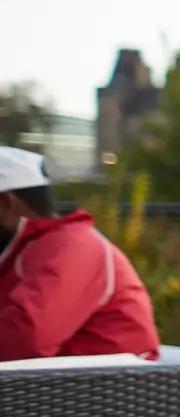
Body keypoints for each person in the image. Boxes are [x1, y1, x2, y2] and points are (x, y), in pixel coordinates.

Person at [0, 145, 161, 361]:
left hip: (115, 388)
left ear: (5, 205)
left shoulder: (70, 246)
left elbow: (23, 340)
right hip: (59, 388)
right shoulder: (21, 250)